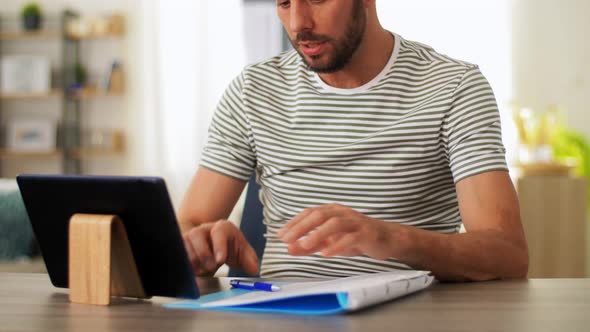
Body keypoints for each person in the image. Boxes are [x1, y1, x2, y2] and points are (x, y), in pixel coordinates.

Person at [178, 0, 529, 281]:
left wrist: (392, 238)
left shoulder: (454, 88)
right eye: (284, 3)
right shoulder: (253, 91)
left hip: (414, 317)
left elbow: (507, 254)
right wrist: (200, 245)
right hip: (282, 315)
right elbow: (189, 224)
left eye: (317, 0)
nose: (299, 23)